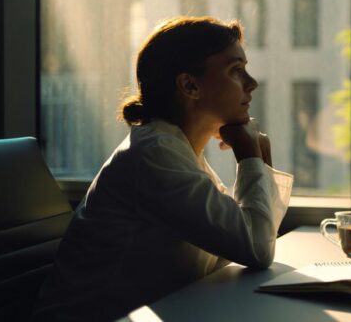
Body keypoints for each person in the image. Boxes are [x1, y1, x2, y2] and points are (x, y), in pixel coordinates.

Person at [33, 16, 292, 321]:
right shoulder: (154, 156)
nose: (252, 83)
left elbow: (249, 240)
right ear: (189, 85)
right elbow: (257, 249)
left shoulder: (177, 151)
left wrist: (260, 157)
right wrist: (249, 154)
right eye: (236, 70)